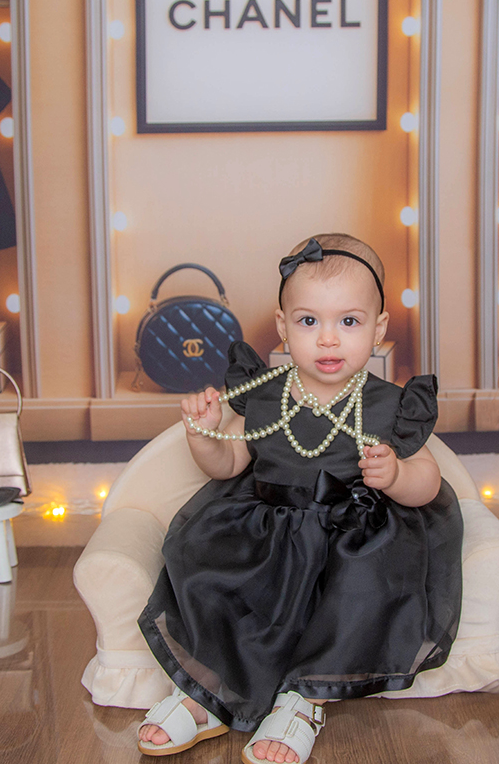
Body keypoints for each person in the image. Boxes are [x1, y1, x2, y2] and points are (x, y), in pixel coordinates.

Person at [137, 233, 463, 764]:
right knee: (214, 570)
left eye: (349, 322)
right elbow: (228, 463)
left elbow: (428, 483)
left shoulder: (389, 405)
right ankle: (206, 691)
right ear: (283, 326)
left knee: (361, 590)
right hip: (269, 526)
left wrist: (396, 474)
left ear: (379, 329)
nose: (328, 340)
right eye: (309, 321)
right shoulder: (265, 393)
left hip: (350, 533)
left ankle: (304, 697)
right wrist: (203, 434)